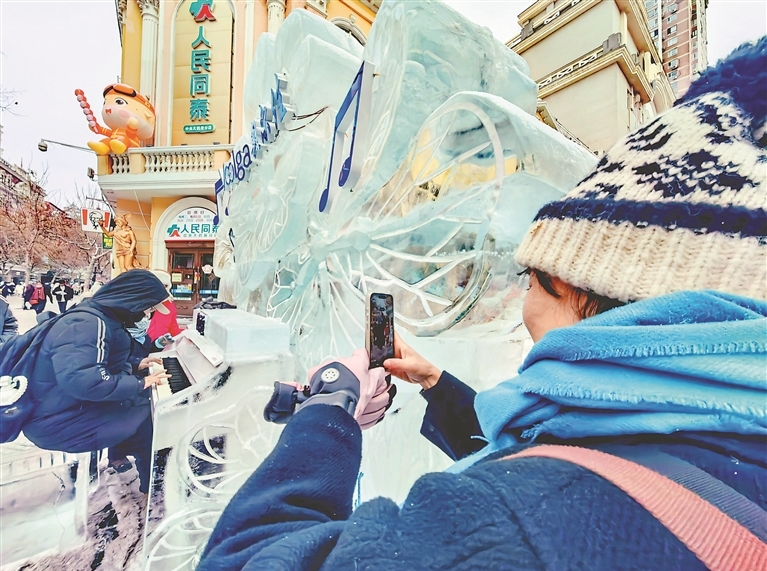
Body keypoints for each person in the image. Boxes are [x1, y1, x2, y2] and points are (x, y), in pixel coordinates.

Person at [196, 40, 767, 571]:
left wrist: (327, 409)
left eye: (529, 278)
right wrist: (436, 383)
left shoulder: (512, 521)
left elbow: (247, 558)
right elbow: (568, 451)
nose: (519, 299)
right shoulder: (723, 436)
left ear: (574, 282)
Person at [23, 270, 173, 494]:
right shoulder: (87, 323)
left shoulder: (101, 317)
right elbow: (85, 381)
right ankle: (156, 491)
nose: (147, 315)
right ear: (134, 300)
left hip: (67, 408)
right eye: (147, 308)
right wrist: (139, 384)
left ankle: (146, 477)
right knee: (152, 420)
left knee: (144, 407)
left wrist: (135, 365)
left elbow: (97, 363)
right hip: (58, 422)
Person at [146, 270, 182, 346]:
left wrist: (185, 335)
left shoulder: (169, 305)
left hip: (160, 347)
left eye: (165, 286)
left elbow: (173, 329)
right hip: (138, 347)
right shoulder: (138, 303)